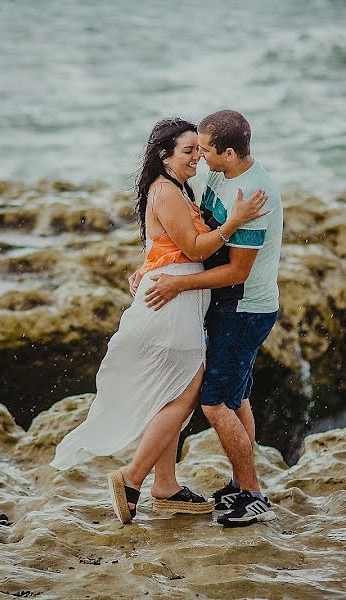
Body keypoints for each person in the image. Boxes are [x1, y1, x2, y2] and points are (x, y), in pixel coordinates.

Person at [50, 117, 268, 525]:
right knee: (185, 394)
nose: (197, 158)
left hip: (179, 299)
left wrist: (147, 265)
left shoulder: (179, 187)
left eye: (199, 150)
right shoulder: (165, 191)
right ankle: (132, 480)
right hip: (172, 305)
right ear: (164, 156)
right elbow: (193, 245)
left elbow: (166, 246)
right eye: (188, 151)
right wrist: (235, 221)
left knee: (173, 391)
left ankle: (164, 484)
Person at [144, 109, 283, 525]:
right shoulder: (223, 176)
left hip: (244, 309)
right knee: (237, 397)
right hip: (226, 305)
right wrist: (153, 267)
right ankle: (242, 485)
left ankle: (253, 493)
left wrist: (175, 284)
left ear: (228, 151)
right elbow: (197, 227)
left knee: (215, 402)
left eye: (205, 149)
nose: (200, 156)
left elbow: (238, 271)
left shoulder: (255, 196)